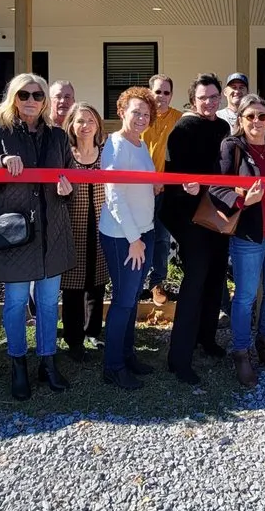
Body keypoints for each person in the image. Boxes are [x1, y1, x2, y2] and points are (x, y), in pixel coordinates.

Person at [0, 73, 75, 401]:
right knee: (16, 303)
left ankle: (47, 361)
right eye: (23, 95)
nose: (30, 100)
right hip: (16, 236)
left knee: (48, 303)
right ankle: (18, 364)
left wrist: (66, 188)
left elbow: (70, 179)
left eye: (37, 95)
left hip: (52, 233)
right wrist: (1, 162)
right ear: (13, 98)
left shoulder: (58, 137)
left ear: (45, 101)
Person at [211, 95, 265, 387]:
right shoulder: (232, 147)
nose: (256, 122)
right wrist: (242, 200)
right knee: (246, 297)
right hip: (249, 235)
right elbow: (217, 188)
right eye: (250, 117)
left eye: (262, 116)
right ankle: (241, 352)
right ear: (240, 120)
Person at [162, 73, 232, 385]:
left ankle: (207, 338)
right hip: (186, 214)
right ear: (193, 100)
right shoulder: (183, 128)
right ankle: (179, 358)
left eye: (214, 96)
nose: (209, 102)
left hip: (216, 211)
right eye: (203, 97)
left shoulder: (223, 127)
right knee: (196, 278)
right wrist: (185, 188)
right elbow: (172, 177)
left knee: (217, 275)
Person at [99, 87, 158, 389]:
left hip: (143, 231)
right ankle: (113, 366)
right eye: (136, 112)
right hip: (123, 236)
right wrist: (134, 239)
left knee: (133, 298)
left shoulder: (141, 145)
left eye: (146, 114)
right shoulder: (116, 143)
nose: (141, 118)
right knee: (123, 300)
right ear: (122, 111)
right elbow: (114, 195)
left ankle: (127, 354)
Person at [60, 101, 109, 361]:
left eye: (90, 120)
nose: (85, 125)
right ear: (71, 125)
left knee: (97, 281)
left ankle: (93, 332)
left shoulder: (105, 154)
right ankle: (73, 339)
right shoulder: (66, 155)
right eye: (80, 121)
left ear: (98, 124)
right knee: (73, 285)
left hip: (102, 226)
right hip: (73, 226)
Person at [141, 73, 183, 306]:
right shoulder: (141, 117)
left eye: (166, 92)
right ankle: (137, 283)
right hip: (141, 189)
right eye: (158, 91)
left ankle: (157, 284)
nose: (162, 96)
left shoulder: (179, 118)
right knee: (138, 236)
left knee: (161, 238)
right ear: (150, 93)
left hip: (167, 190)